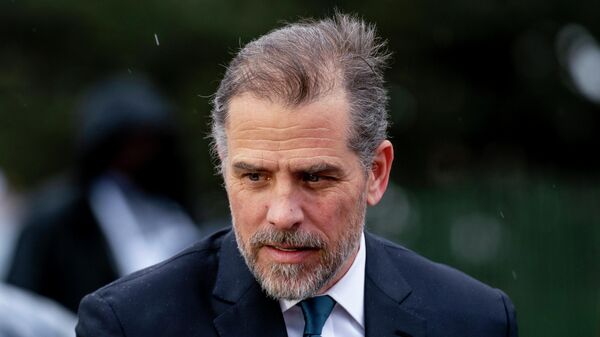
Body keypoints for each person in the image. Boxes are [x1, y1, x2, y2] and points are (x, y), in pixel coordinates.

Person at [76, 14, 518, 337]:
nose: (283, 214)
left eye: (314, 178)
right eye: (254, 177)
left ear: (376, 174)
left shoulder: (473, 320)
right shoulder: (131, 325)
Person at [6, 75, 201, 313]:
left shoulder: (171, 208)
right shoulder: (56, 219)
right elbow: (21, 304)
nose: (139, 155)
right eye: (129, 143)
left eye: (147, 142)